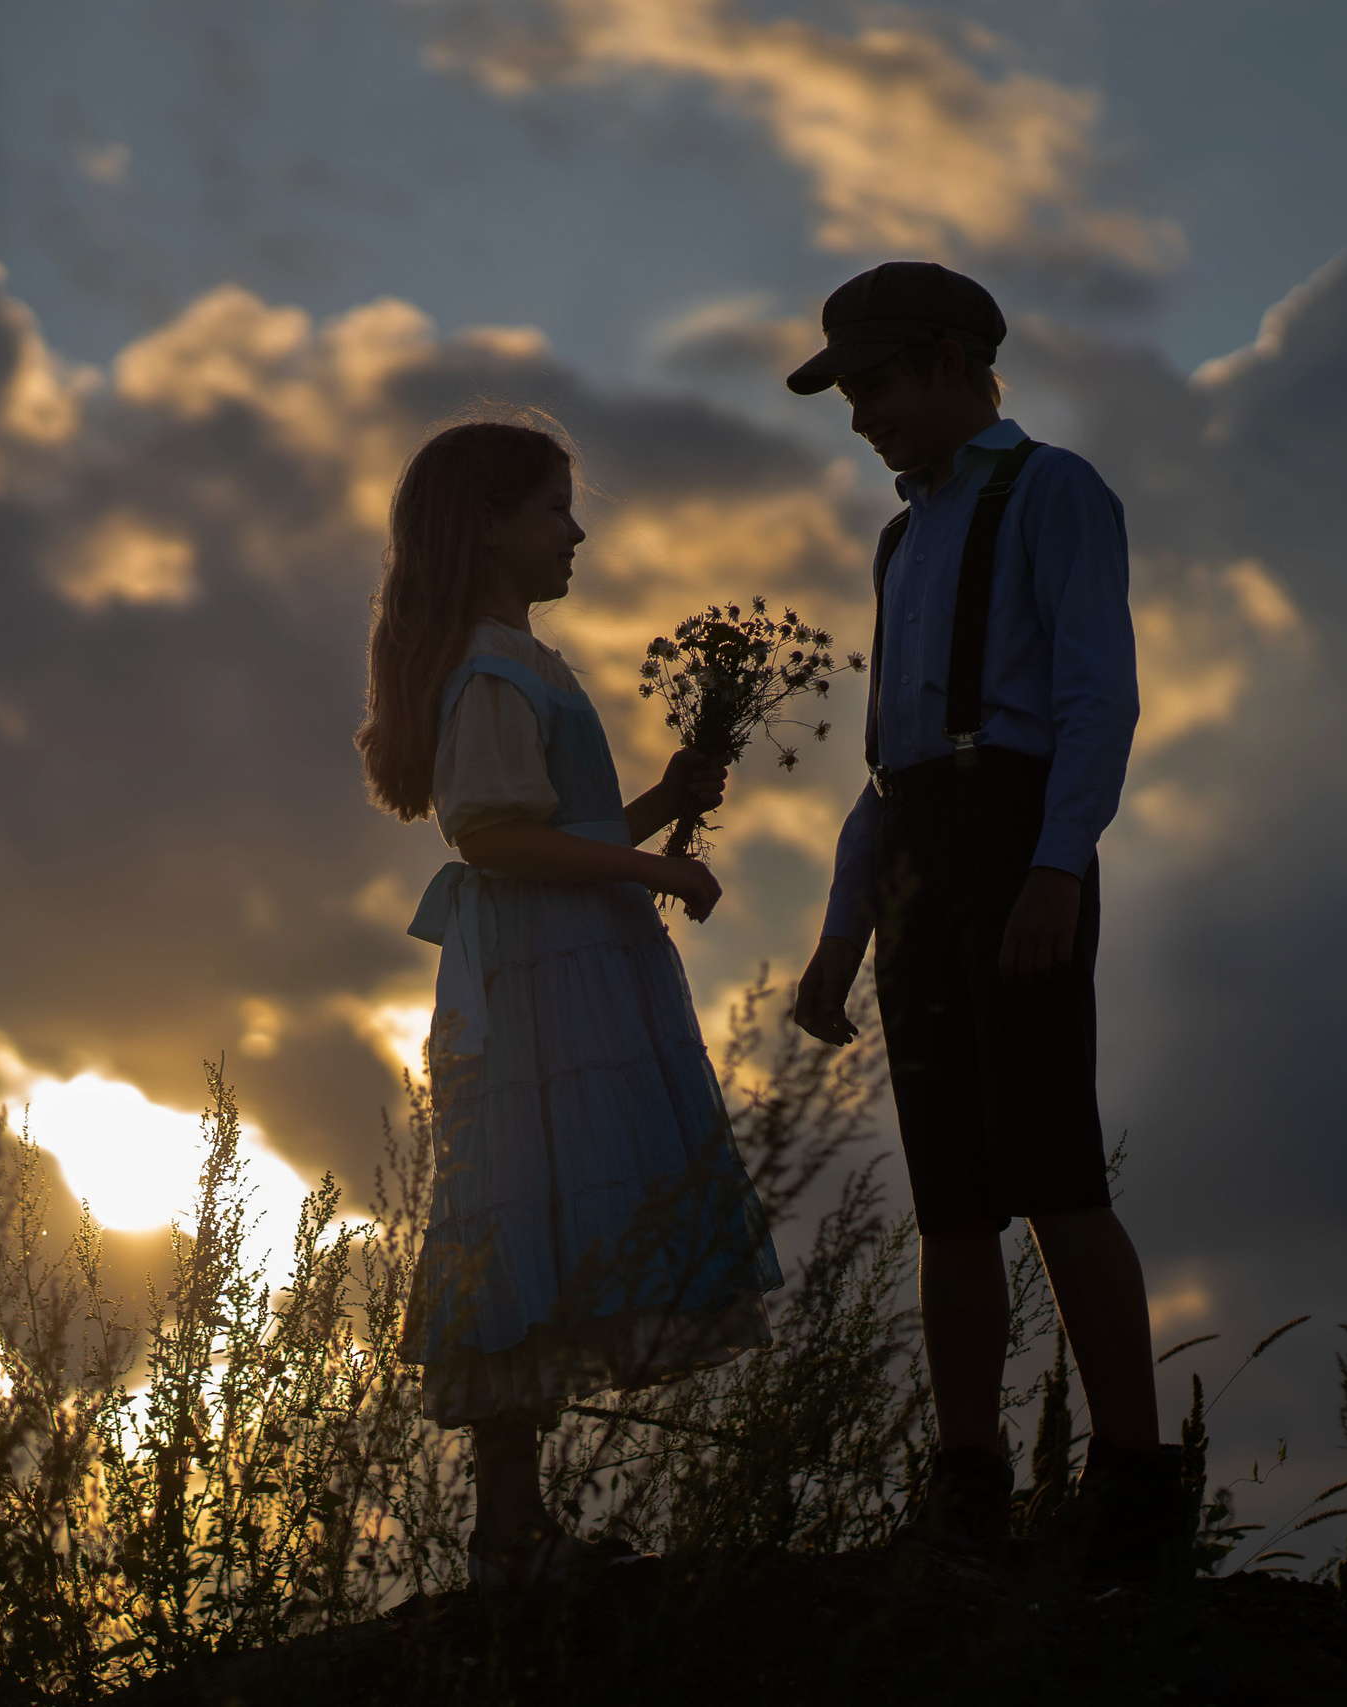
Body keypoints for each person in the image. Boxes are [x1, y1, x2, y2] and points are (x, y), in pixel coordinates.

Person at [783, 262, 1187, 1577]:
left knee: (1055, 1167)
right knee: (949, 1193)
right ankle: (966, 1480)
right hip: (919, 849)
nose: (861, 417)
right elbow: (885, 762)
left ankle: (1133, 1479)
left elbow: (1095, 699)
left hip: (1017, 838)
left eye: (874, 386)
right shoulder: (901, 540)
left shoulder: (1053, 491)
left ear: (952, 360)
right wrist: (844, 926)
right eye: (849, 396)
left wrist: (1058, 867)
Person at [354, 415, 784, 1592]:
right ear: (488, 528)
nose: (576, 531)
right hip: (547, 982)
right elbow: (494, 836)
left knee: (555, 1219)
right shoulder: (494, 671)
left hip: (569, 963)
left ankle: (518, 1529)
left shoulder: (520, 661)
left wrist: (658, 807)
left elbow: (549, 833)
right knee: (527, 1217)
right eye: (553, 509)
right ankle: (507, 1535)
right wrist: (660, 871)